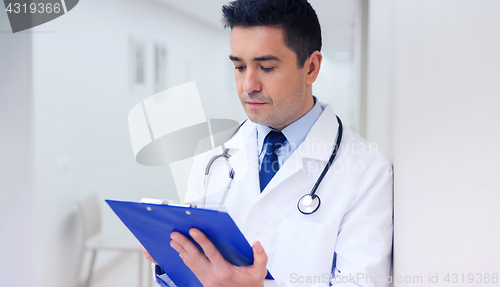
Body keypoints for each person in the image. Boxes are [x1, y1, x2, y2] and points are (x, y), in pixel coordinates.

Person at [143, 0, 393, 286]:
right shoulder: (214, 154)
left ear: (311, 67)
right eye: (239, 66)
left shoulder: (367, 173)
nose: (248, 85)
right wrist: (173, 262)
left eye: (266, 67)